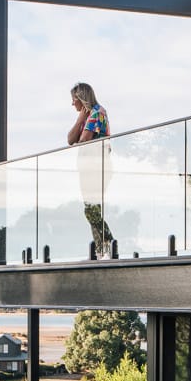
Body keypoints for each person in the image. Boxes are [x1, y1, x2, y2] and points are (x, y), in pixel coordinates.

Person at [66, 83, 113, 255]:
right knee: (92, 208)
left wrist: (81, 122)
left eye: (73, 100)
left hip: (96, 167)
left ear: (81, 99)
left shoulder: (96, 113)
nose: (72, 104)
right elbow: (70, 139)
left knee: (91, 208)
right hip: (90, 167)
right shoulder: (88, 116)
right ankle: (102, 250)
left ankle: (108, 241)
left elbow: (83, 141)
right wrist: (80, 120)